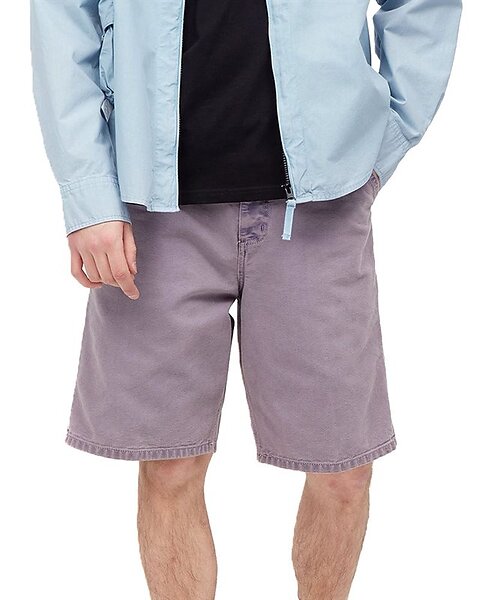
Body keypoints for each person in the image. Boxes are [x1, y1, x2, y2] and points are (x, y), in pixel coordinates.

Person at [30, 1, 462, 598]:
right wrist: (89, 195)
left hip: (320, 205)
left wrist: (384, 139)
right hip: (155, 203)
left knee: (343, 471)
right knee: (170, 464)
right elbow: (62, 17)